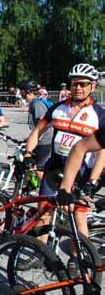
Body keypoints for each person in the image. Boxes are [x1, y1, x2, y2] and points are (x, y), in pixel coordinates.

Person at [26, 63, 105, 253]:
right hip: (54, 167)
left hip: (82, 173)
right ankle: (39, 252)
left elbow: (102, 152)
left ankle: (76, 259)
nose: (78, 87)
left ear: (92, 86)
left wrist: (93, 181)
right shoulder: (57, 108)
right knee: (43, 211)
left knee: (78, 218)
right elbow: (38, 131)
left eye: (83, 84)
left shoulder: (99, 115)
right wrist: (28, 153)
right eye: (74, 83)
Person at [20, 81, 53, 181]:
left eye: (21, 91)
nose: (20, 93)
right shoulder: (33, 103)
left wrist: (35, 139)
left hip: (44, 140)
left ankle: (48, 191)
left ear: (27, 91)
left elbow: (42, 124)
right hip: (39, 138)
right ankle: (30, 185)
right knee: (28, 163)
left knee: (39, 169)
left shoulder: (37, 104)